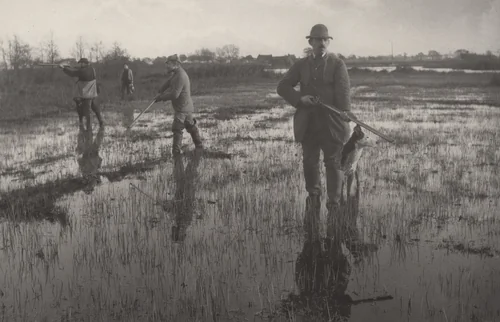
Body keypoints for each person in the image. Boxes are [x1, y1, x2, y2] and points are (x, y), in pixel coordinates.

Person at [276, 24, 357, 230]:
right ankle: (313, 194)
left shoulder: (338, 65)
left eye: (324, 40)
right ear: (310, 42)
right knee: (309, 161)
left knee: (333, 162)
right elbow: (282, 87)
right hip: (308, 123)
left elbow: (343, 92)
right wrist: (300, 99)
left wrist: (345, 111)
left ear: (328, 42)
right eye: (317, 40)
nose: (321, 43)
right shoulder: (301, 65)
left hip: (331, 124)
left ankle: (334, 202)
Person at [155, 54, 203, 155]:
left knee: (177, 128)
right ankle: (199, 146)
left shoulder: (180, 75)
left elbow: (174, 94)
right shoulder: (176, 74)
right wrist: (161, 90)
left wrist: (161, 98)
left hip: (182, 108)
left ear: (175, 64)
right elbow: (169, 82)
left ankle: (176, 153)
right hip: (185, 106)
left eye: (168, 64)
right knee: (190, 126)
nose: (167, 66)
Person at [59, 58, 104, 129]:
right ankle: (101, 122)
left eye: (80, 63)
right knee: (95, 108)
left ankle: (89, 128)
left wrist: (63, 68)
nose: (79, 64)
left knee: (88, 112)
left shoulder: (82, 71)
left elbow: (73, 73)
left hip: (87, 94)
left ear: (84, 63)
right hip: (93, 93)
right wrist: (69, 67)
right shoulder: (92, 69)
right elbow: (78, 70)